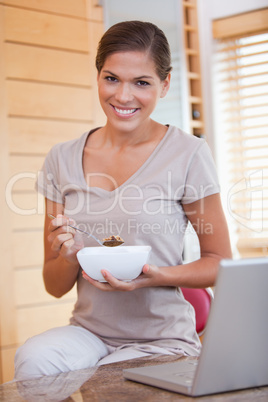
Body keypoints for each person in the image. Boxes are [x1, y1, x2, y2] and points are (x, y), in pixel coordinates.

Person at [14, 20, 232, 381]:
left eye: (141, 83)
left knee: (111, 378)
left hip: (162, 339)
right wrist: (67, 257)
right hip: (90, 333)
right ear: (98, 75)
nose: (123, 96)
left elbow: (220, 262)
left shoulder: (188, 153)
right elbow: (54, 286)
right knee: (35, 358)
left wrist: (154, 276)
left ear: (164, 84)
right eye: (111, 78)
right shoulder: (61, 158)